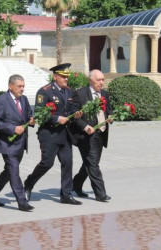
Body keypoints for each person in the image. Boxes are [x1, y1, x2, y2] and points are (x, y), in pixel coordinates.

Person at [24, 63, 82, 205]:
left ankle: (66, 194)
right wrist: (56, 118)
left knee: (67, 163)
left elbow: (72, 109)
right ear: (54, 77)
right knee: (47, 163)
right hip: (49, 134)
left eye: (67, 77)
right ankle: (29, 183)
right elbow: (39, 114)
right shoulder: (45, 92)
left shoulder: (69, 91)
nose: (65, 79)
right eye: (63, 77)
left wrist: (77, 115)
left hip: (65, 134)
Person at [0, 75, 36, 212]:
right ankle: (22, 201)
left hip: (20, 142)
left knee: (9, 171)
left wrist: (31, 121)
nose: (22, 89)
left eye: (23, 86)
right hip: (7, 143)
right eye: (19, 86)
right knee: (14, 171)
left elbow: (28, 115)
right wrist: (12, 129)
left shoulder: (24, 99)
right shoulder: (2, 100)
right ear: (10, 86)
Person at [70, 69, 113, 202]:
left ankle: (76, 184)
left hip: (101, 134)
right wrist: (85, 126)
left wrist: (111, 116)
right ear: (90, 80)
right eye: (98, 80)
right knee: (93, 164)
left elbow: (109, 109)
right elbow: (74, 115)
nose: (101, 82)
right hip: (86, 136)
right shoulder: (80, 94)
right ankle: (100, 194)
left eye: (103, 79)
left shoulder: (104, 93)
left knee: (90, 163)